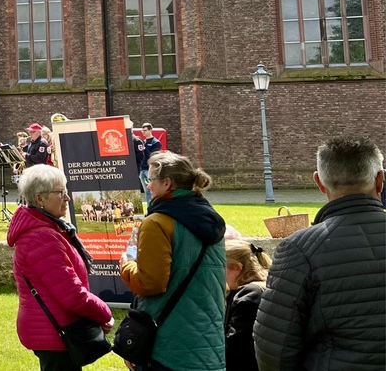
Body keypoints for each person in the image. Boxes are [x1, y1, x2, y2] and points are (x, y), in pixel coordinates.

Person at [254, 136, 385, 371]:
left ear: (319, 182)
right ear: (380, 180)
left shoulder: (299, 249)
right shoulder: (300, 249)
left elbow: (274, 347)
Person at [120, 152, 226, 371]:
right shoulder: (211, 218)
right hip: (208, 338)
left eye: (150, 179)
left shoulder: (157, 223)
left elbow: (150, 283)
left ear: (167, 183)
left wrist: (127, 265)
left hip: (168, 344)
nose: (148, 186)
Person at [9, 165, 113, 371]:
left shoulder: (48, 230)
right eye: (60, 192)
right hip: (55, 333)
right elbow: (72, 294)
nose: (67, 198)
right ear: (40, 199)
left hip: (57, 329)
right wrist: (104, 313)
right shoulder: (41, 237)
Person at [224, 240, 271, 371]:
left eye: (222, 267)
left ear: (237, 268)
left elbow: (236, 345)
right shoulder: (265, 286)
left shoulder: (250, 294)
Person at [134, 123, 163, 204]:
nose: (143, 132)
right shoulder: (143, 142)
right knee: (146, 191)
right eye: (142, 130)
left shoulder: (156, 142)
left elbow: (152, 156)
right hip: (142, 169)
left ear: (150, 130)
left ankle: (155, 205)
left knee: (152, 190)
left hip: (150, 169)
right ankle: (149, 207)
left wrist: (144, 148)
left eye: (145, 130)